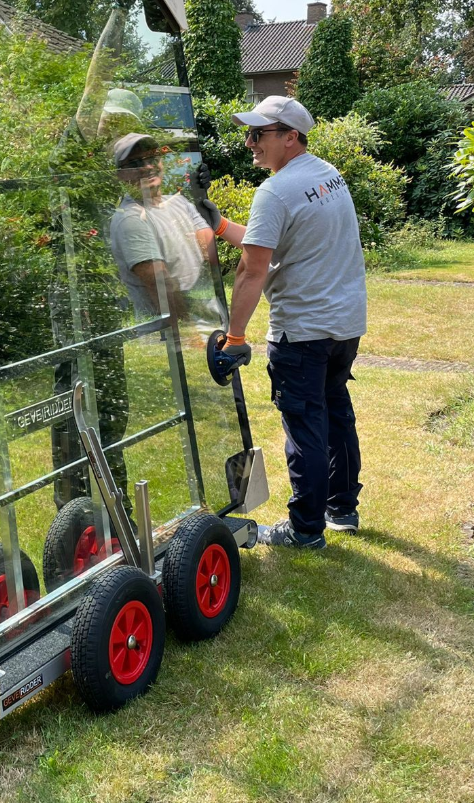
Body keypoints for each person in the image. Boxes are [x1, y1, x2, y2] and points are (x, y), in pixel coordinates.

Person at [200, 96, 367, 549]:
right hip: (343, 324)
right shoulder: (327, 175)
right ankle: (341, 508)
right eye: (249, 133)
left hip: (302, 331)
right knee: (335, 411)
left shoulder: (275, 191)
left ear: (290, 138)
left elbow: (252, 270)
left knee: (305, 425)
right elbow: (270, 243)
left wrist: (234, 337)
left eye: (259, 134)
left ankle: (305, 529)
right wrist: (220, 226)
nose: (250, 143)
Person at [108, 132, 224, 331]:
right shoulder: (131, 219)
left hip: (210, 324)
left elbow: (211, 257)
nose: (147, 167)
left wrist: (201, 201)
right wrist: (190, 332)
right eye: (135, 163)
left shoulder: (179, 202)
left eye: (152, 158)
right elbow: (161, 287)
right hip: (171, 338)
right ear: (120, 174)